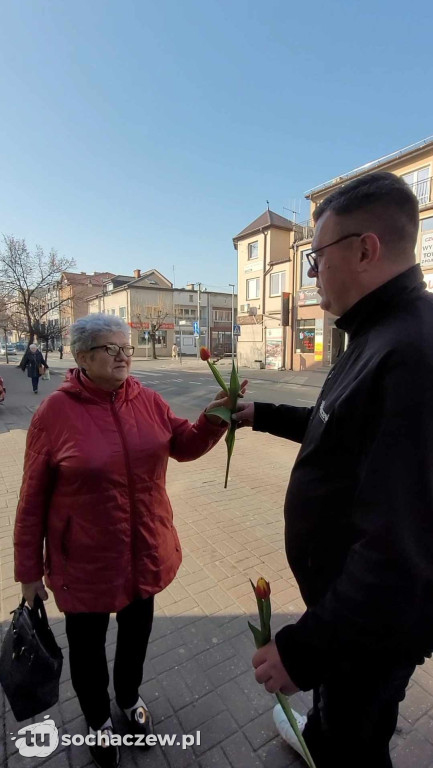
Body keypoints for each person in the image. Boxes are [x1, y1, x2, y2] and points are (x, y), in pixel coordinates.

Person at [233, 171, 433, 768]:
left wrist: (304, 649)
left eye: (317, 260)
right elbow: (339, 426)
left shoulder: (411, 353)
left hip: (370, 629)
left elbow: (400, 549)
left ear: (366, 249)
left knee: (351, 745)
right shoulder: (377, 333)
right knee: (345, 726)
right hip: (354, 616)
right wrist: (260, 412)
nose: (311, 275)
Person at [14, 313, 246, 768]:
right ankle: (99, 721)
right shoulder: (54, 414)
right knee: (87, 649)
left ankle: (128, 697)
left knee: (136, 636)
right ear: (82, 357)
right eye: (111, 348)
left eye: (127, 347)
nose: (124, 356)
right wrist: (27, 574)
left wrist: (217, 415)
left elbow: (184, 444)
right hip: (85, 561)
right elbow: (30, 501)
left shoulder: (149, 400)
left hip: (144, 549)